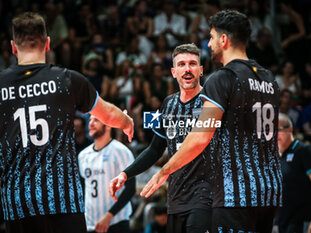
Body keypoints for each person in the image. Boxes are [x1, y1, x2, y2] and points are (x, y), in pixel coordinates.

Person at [138, 10, 282, 233]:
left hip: (236, 192)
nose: (209, 43)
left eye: (212, 37)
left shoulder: (223, 78)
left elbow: (200, 137)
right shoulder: (268, 79)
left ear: (224, 40)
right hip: (269, 190)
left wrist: (164, 171)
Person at [0, 12, 133, 233]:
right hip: (61, 198)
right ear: (48, 44)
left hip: (18, 200)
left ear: (13, 47)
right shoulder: (66, 79)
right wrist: (126, 121)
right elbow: (108, 114)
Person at [110, 43, 216, 233]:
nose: (187, 69)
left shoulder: (212, 103)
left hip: (207, 194)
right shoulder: (168, 103)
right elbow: (154, 149)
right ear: (174, 72)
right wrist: (125, 174)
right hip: (175, 196)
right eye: (182, 64)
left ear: (201, 70)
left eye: (192, 64)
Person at [78, 116, 135, 233]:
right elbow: (83, 189)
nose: (91, 124)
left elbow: (130, 188)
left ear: (108, 125)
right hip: (91, 224)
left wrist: (109, 215)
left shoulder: (121, 151)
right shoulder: (83, 155)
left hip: (116, 222)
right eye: (91, 120)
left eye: (96, 120)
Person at [276, 113, 311, 233]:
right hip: (283, 221)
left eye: (279, 130)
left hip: (303, 221)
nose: (275, 134)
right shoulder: (276, 156)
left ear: (290, 129)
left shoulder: (304, 151)